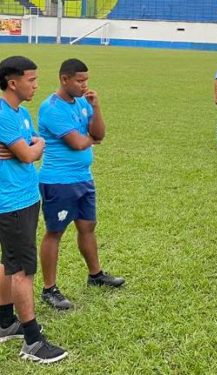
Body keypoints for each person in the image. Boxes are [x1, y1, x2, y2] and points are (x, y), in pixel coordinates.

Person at [37, 58, 125, 311]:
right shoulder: (51, 108)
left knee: (88, 226)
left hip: (83, 177)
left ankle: (95, 275)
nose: (85, 85)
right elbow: (77, 142)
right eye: (79, 80)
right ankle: (49, 289)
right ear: (64, 79)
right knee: (55, 232)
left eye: (86, 80)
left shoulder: (82, 103)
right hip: (59, 181)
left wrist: (96, 107)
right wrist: (90, 138)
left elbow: (99, 134)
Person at [0, 56, 67, 363]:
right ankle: (32, 341)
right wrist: (30, 150)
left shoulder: (22, 113)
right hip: (12, 202)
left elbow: (33, 147)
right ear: (13, 82)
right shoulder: (3, 114)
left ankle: (4, 322)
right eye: (31, 79)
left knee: (8, 262)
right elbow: (29, 153)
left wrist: (30, 149)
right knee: (23, 270)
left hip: (25, 197)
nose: (36, 85)